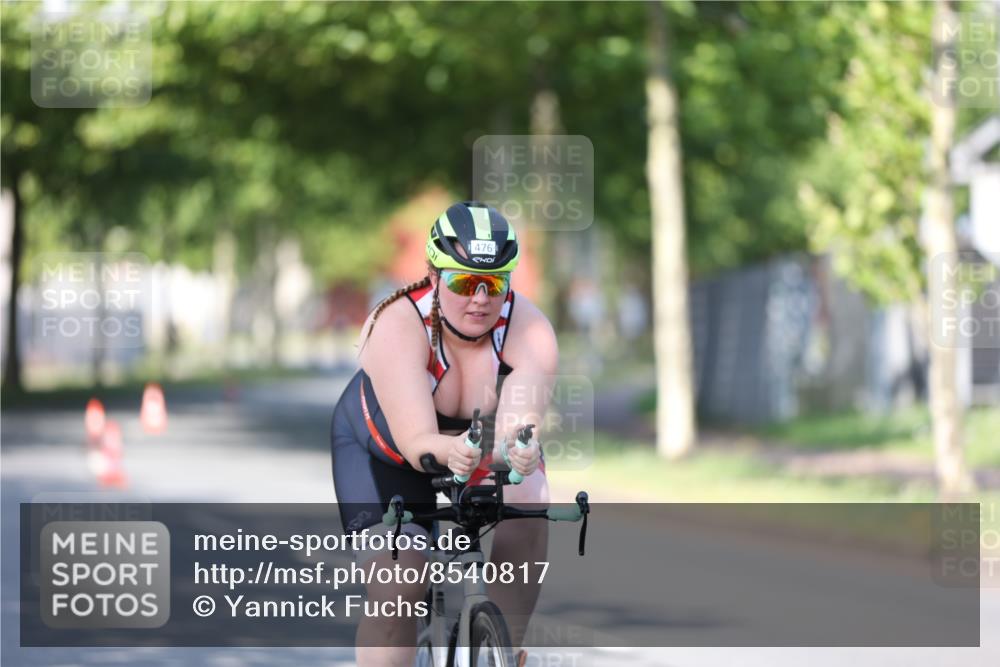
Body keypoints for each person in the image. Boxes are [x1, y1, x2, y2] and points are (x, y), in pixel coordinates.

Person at [330, 202, 558, 667]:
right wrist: (458, 452)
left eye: (494, 283)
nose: (479, 298)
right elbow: (418, 444)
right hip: (386, 453)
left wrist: (521, 448)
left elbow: (518, 424)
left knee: (531, 498)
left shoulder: (528, 327)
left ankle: (504, 650)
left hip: (470, 447)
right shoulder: (397, 324)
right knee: (400, 587)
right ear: (434, 278)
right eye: (461, 281)